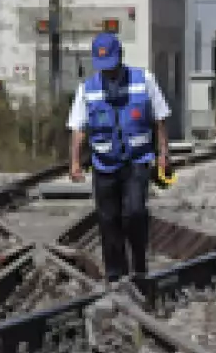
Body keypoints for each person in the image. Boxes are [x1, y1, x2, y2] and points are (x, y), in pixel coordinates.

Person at [67, 32, 173, 282]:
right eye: (104, 67)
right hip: (104, 165)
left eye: (112, 66)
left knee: (134, 212)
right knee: (108, 220)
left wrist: (164, 155)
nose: (109, 72)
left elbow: (160, 119)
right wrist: (74, 162)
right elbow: (78, 129)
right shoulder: (87, 89)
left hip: (137, 162)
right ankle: (115, 274)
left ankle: (138, 264)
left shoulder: (144, 80)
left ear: (121, 57)